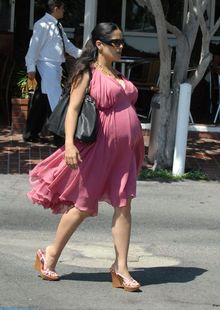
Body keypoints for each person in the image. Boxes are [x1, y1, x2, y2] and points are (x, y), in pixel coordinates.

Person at [28, 22, 145, 292]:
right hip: (98, 150)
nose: (120, 46)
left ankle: (121, 268)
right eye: (115, 42)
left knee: (123, 205)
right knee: (81, 207)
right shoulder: (87, 73)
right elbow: (73, 109)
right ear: (100, 45)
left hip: (123, 153)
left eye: (121, 41)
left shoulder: (117, 74)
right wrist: (69, 144)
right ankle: (50, 255)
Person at [24, 0, 82, 143]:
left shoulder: (58, 25)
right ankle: (59, 138)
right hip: (46, 67)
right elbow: (33, 48)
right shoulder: (42, 25)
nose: (64, 11)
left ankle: (31, 133)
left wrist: (84, 54)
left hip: (55, 67)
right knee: (55, 101)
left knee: (43, 100)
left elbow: (67, 46)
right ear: (55, 8)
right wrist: (30, 68)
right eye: (62, 8)